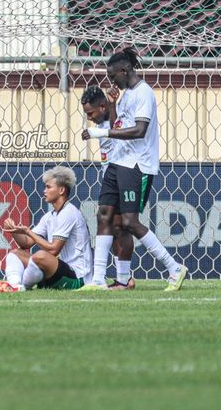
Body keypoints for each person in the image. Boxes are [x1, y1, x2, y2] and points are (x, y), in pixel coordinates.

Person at [80, 48, 187, 291]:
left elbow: (139, 131)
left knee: (129, 222)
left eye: (112, 75)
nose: (111, 80)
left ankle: (174, 268)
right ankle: (99, 280)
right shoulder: (126, 95)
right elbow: (119, 123)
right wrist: (113, 104)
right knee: (105, 216)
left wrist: (102, 132)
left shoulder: (144, 94)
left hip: (137, 165)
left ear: (125, 70)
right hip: (118, 163)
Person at [0, 166, 93, 292]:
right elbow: (26, 243)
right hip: (58, 272)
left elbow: (53, 250)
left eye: (48, 187)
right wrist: (12, 230)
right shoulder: (50, 216)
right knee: (15, 253)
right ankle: (15, 285)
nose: (44, 191)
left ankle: (22, 287)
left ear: (61, 190)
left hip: (78, 278)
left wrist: (28, 231)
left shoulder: (69, 213)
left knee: (40, 256)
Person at [81, 85, 136, 290]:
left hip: (124, 175)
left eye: (91, 113)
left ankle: (120, 278)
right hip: (110, 178)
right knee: (110, 223)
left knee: (123, 227)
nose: (90, 117)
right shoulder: (104, 121)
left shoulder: (117, 115)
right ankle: (118, 279)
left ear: (102, 106)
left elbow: (117, 130)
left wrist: (112, 107)